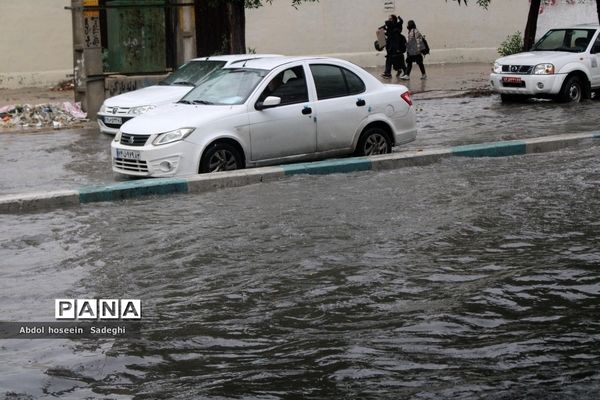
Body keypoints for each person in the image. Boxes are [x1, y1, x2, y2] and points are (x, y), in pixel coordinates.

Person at [380, 14, 404, 79]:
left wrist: (399, 18)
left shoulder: (396, 26)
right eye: (388, 19)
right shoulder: (390, 27)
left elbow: (399, 25)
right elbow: (388, 34)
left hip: (395, 46)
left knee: (393, 59)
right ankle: (390, 72)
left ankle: (388, 73)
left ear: (393, 19)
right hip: (390, 46)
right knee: (390, 60)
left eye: (390, 19)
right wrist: (383, 31)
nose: (389, 20)